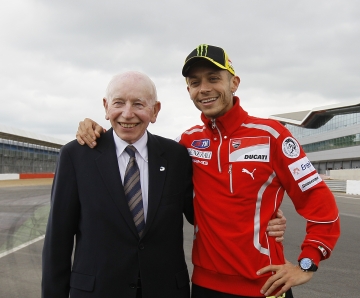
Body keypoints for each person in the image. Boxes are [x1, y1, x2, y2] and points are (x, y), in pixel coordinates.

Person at [77, 44, 340, 298]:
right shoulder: (186, 144)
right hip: (204, 286)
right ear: (188, 89)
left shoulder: (272, 136)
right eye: (195, 82)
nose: (204, 89)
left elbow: (318, 198)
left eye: (213, 78)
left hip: (264, 286)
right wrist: (97, 131)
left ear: (234, 83)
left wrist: (307, 263)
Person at [43, 71, 285, 298]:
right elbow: (58, 242)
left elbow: (202, 212)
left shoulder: (177, 156)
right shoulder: (76, 156)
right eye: (118, 103)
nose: (128, 114)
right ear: (106, 107)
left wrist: (261, 215)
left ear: (155, 110)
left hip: (166, 291)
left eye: (139, 104)